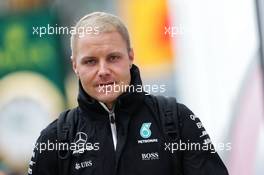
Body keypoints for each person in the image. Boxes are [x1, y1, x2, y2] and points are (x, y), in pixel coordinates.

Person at [27, 12, 229, 175]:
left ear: (130, 56)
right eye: (90, 61)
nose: (103, 70)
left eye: (113, 58)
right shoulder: (55, 139)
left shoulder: (176, 119)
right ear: (74, 66)